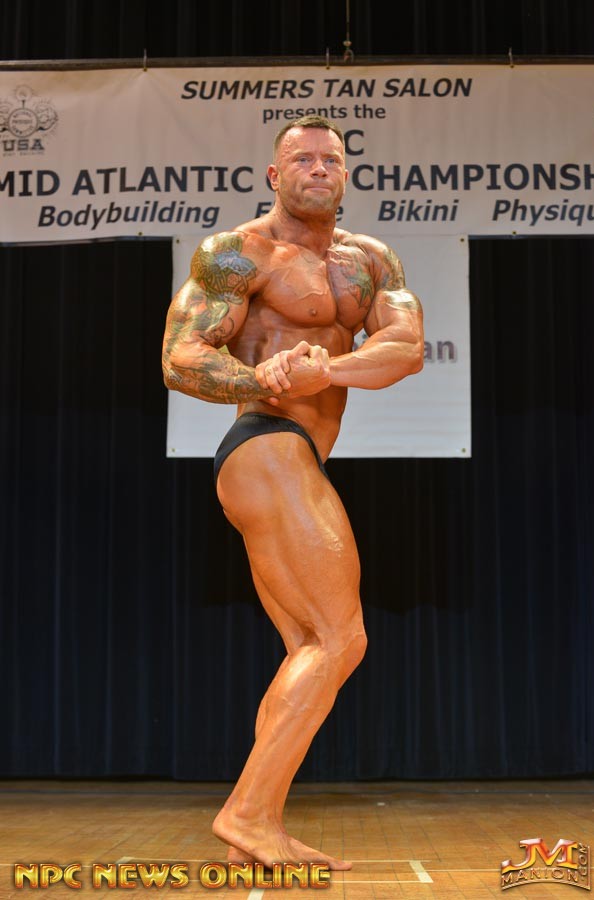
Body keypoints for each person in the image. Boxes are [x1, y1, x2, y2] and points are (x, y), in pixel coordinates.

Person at [162, 115, 424, 870]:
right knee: (343, 638)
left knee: (312, 649)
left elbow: (405, 348)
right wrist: (260, 377)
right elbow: (180, 357)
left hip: (295, 453)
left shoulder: (370, 261)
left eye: (330, 159)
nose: (317, 168)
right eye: (301, 159)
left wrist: (325, 371)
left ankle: (259, 827)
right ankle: (247, 813)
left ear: (345, 174)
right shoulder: (237, 253)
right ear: (274, 176)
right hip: (265, 443)